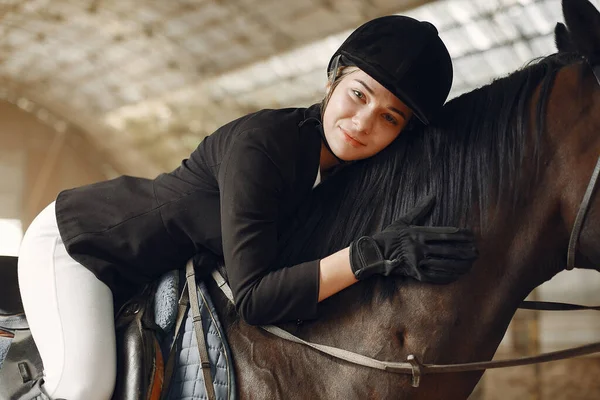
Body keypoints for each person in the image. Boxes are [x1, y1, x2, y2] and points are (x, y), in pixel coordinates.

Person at [17, 15, 478, 400]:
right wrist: (368, 255)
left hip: (155, 273)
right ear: (334, 79)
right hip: (83, 246)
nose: (362, 123)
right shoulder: (266, 146)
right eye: (359, 94)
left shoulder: (344, 175)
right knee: (83, 387)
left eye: (389, 117)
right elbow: (256, 298)